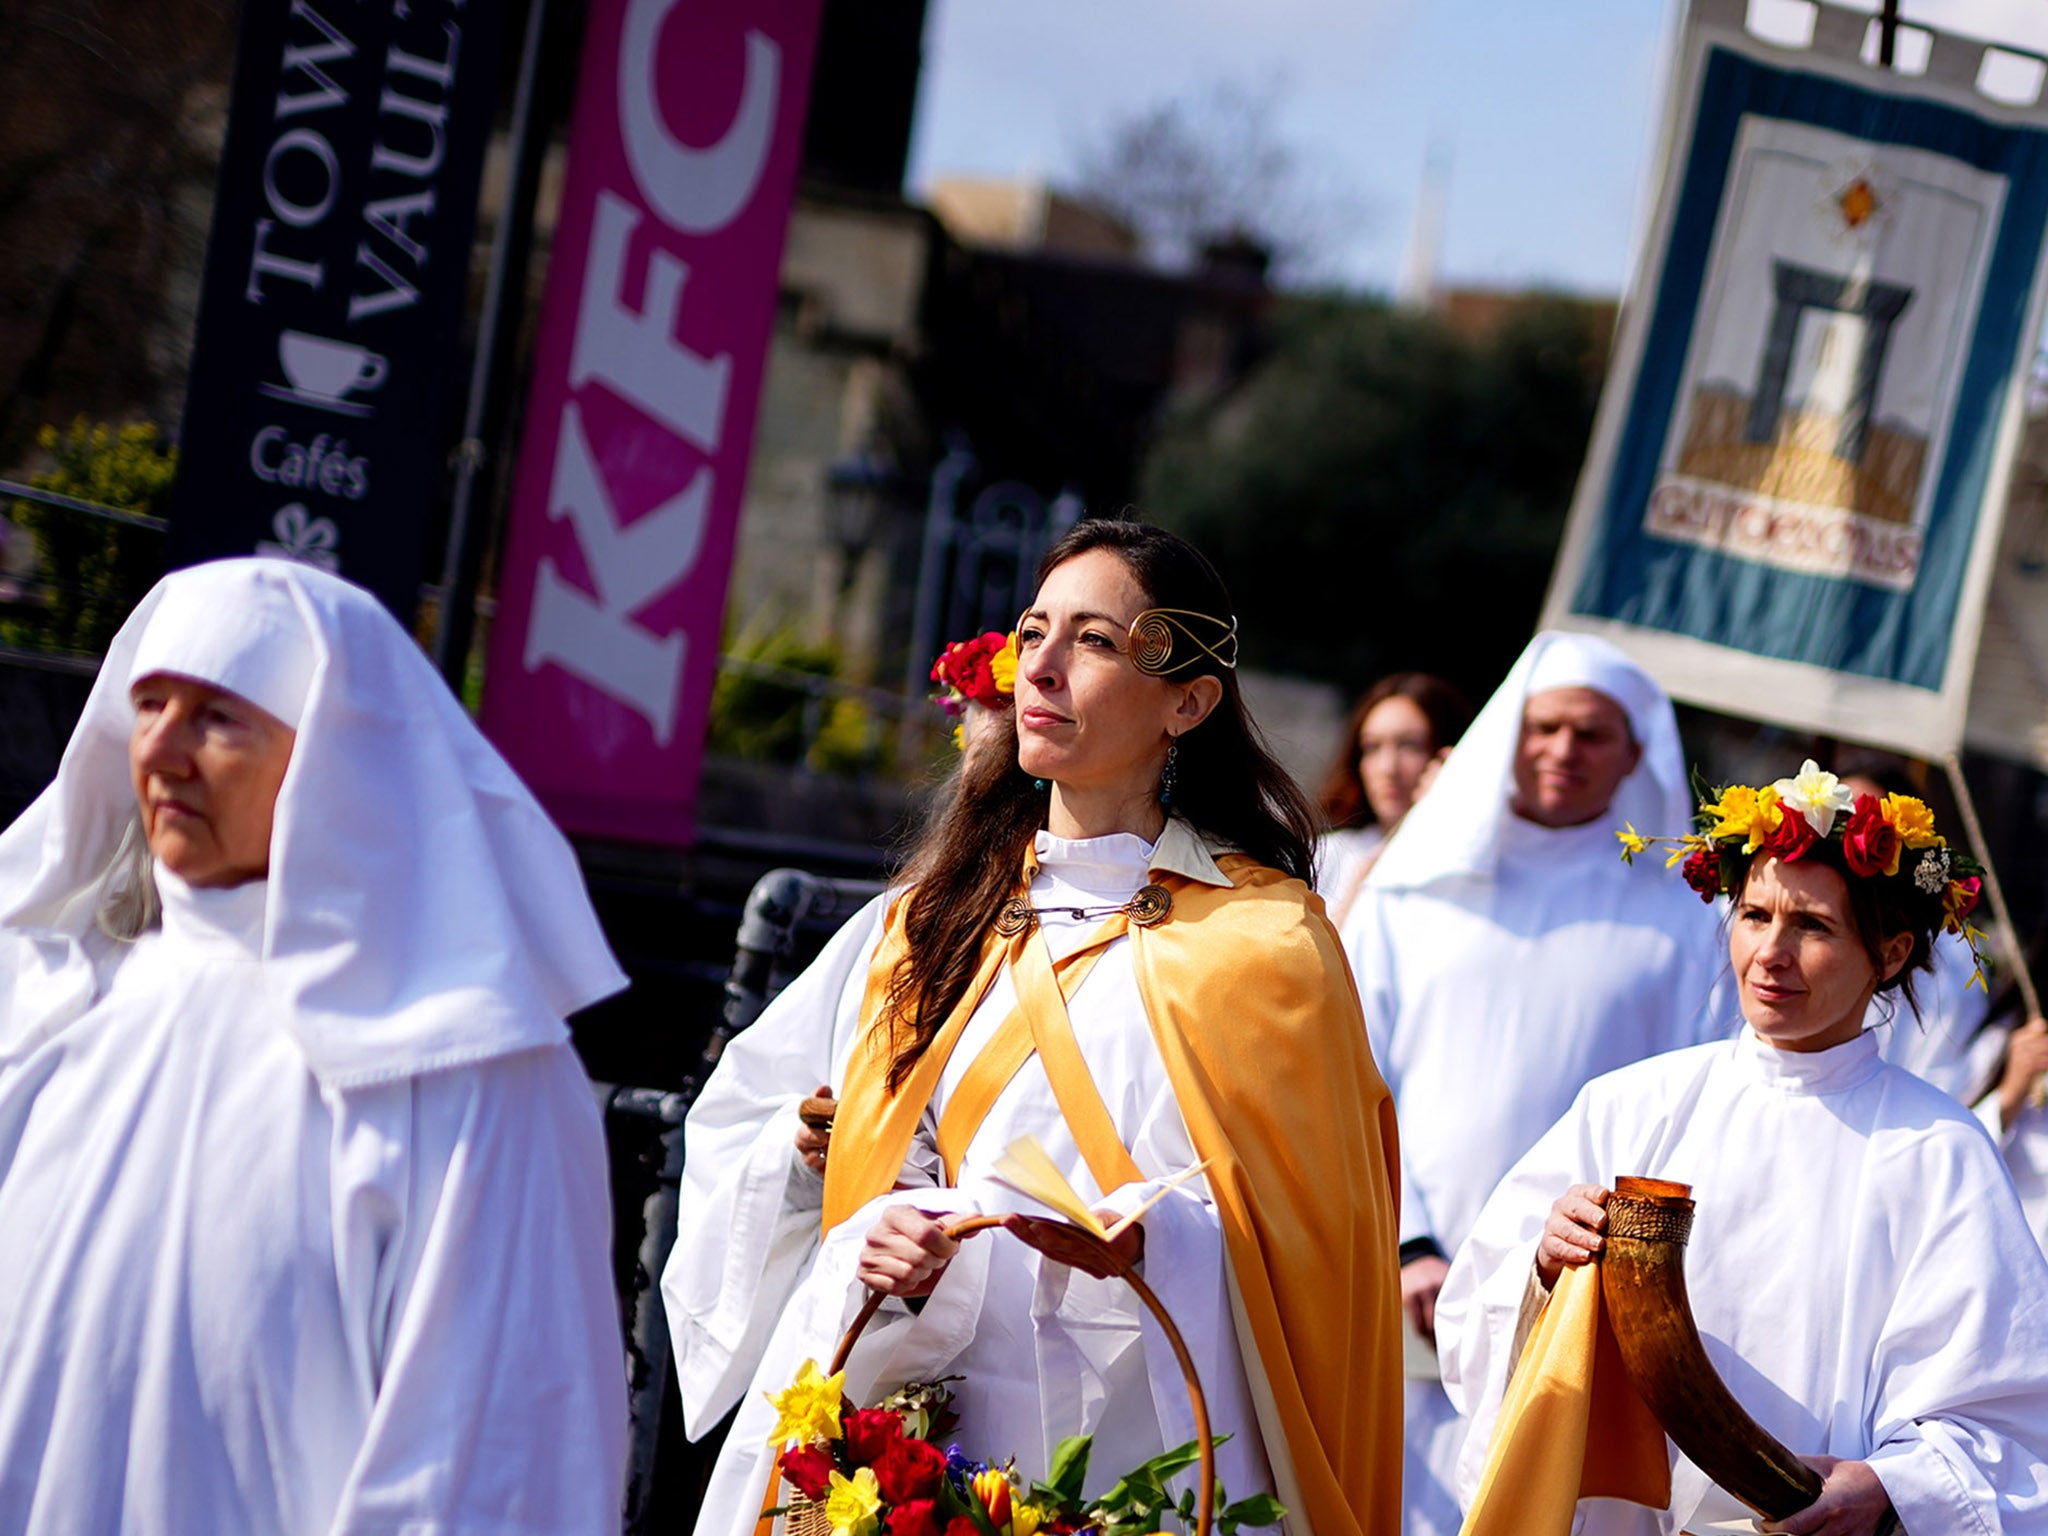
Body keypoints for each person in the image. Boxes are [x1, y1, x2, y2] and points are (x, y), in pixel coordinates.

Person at [689, 520, 1403, 1536]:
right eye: (1034, 633)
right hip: (927, 1427)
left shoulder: (1269, 943)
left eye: (1097, 642)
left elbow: (1321, 1254)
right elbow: (840, 1142)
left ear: (1188, 702)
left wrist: (1162, 1242)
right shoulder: (928, 915)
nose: (1045, 668)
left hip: (1146, 1438)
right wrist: (878, 1219)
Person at [0, 559, 631, 1534]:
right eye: (149, 704)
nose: (160, 750)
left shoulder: (469, 1076)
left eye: (218, 719)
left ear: (337, 758)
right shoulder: (59, 1005)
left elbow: (491, 1461)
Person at [1437, 763, 2048, 1536]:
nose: (1771, 953)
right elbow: (1474, 1315)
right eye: (1755, 915)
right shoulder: (1633, 1103)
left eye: (1814, 926)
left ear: (1891, 955)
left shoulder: (1940, 1152)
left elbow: (2008, 1418)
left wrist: (1890, 1484)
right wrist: (1542, 1263)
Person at [1337, 630, 1725, 1536]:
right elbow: (1357, 1073)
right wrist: (1411, 1243)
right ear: (1508, 732)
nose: (1562, 751)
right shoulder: (1416, 886)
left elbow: (1697, 1101)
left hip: (1592, 1288)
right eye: (1543, 727)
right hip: (1409, 1282)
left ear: (1636, 754)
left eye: (1591, 734)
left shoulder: (1687, 914)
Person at [662, 629, 1019, 1441]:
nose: (987, 802)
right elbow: (736, 1115)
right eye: (980, 774)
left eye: (1016, 788)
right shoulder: (902, 925)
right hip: (851, 1331)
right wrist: (801, 1149)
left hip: (1012, 1354)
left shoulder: (1138, 937)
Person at [1314, 672, 1472, 927]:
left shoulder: (1471, 864)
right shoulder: (1327, 855)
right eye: (1372, 747)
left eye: (1410, 746)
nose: (1389, 768)